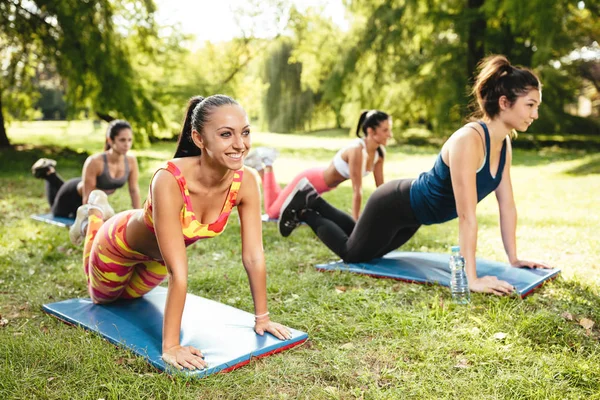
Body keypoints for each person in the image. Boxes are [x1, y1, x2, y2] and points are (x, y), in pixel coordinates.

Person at [279, 55, 552, 296]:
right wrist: (471, 278)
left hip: (414, 217)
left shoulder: (503, 144)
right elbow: (467, 216)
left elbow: (507, 205)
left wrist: (514, 258)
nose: (536, 114)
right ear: (504, 102)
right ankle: (307, 211)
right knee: (352, 254)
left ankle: (312, 200)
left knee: (366, 249)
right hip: (394, 203)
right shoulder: (469, 140)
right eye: (530, 105)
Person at [68, 95, 291, 371]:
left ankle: (99, 214)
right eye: (225, 134)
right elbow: (179, 274)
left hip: (157, 259)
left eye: (245, 132)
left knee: (130, 298)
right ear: (198, 138)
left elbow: (254, 256)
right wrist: (171, 346)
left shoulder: (246, 182)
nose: (240, 144)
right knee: (104, 298)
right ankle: (95, 215)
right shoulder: (169, 178)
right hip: (118, 245)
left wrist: (263, 318)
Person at [244, 110, 392, 221]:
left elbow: (381, 189)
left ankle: (259, 167)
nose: (390, 135)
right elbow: (357, 190)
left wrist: (388, 214)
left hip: (321, 185)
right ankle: (267, 163)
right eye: (385, 130)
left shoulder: (379, 154)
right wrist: (356, 220)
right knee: (273, 213)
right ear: (370, 131)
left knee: (280, 200)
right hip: (310, 181)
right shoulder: (357, 150)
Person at [31, 120, 141, 220]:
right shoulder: (95, 161)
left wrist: (137, 217)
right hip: (72, 195)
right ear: (110, 140)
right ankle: (49, 174)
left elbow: (134, 190)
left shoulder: (131, 161)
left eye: (129, 140)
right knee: (58, 214)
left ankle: (50, 173)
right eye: (122, 140)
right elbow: (87, 197)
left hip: (89, 193)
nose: (127, 144)